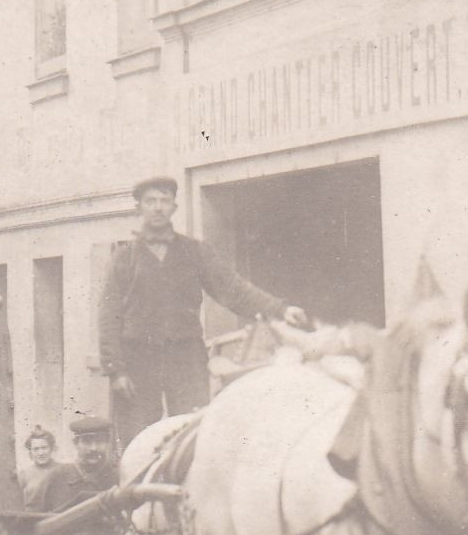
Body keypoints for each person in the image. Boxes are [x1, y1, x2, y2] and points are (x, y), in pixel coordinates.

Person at [99, 176, 310, 449]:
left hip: (185, 356)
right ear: (138, 208)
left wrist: (280, 309)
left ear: (174, 207)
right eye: (151, 201)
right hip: (139, 359)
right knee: (137, 438)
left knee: (195, 429)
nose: (158, 208)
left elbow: (233, 289)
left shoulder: (194, 251)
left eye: (164, 201)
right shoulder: (123, 258)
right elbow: (108, 316)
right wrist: (116, 371)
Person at [19, 426, 59, 507]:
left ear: (51, 449)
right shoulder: (24, 474)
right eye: (36, 449)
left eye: (44, 448)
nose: (41, 453)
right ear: (30, 452)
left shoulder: (62, 469)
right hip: (32, 518)